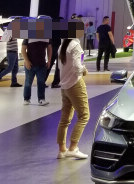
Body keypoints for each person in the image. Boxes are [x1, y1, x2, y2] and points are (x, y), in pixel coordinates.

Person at [56, 20, 90, 160]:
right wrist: (84, 70)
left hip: (64, 85)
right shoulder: (75, 45)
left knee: (64, 119)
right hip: (75, 83)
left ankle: (62, 150)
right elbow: (77, 65)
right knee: (84, 116)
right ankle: (73, 148)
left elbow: (61, 67)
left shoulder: (63, 45)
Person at [22, 18, 52, 106]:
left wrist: (49, 60)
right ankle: (26, 98)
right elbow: (23, 49)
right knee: (28, 82)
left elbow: (49, 49)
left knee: (41, 82)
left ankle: (41, 99)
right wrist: (27, 61)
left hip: (42, 64)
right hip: (30, 64)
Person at [0, 19, 22, 88]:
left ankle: (14, 82)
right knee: (10, 68)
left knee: (15, 68)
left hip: (14, 51)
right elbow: (9, 38)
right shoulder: (11, 30)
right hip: (11, 51)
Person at [49, 17, 64, 89]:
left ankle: (42, 81)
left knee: (49, 64)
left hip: (52, 47)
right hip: (57, 48)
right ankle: (55, 82)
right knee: (58, 66)